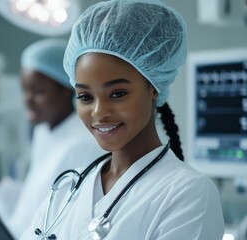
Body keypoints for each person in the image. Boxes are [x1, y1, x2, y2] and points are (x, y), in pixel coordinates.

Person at [20, 0, 225, 239]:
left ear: (153, 88)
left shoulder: (187, 193)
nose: (98, 112)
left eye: (117, 94)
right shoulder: (69, 188)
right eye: (85, 97)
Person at [0, 38, 105, 238]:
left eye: (38, 91)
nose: (27, 100)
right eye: (24, 90)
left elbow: (71, 220)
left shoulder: (84, 143)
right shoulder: (43, 131)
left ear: (68, 90)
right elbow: (39, 198)